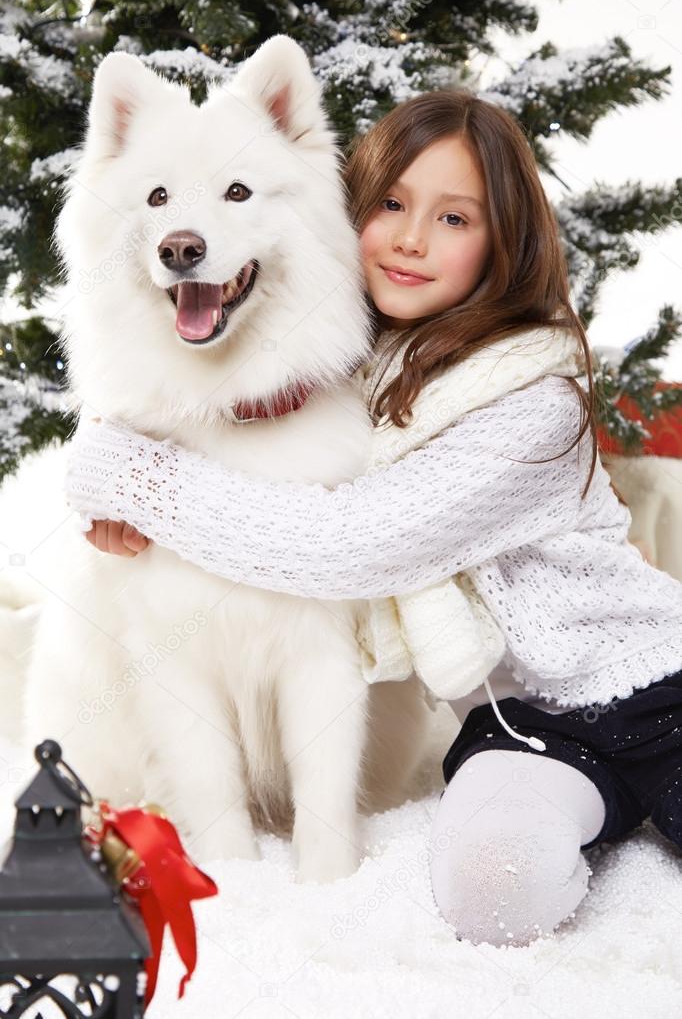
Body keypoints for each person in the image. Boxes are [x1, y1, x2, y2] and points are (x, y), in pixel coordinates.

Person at [65, 90, 682, 948]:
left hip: (659, 691)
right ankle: (612, 824)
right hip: (523, 727)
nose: (411, 238)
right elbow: (209, 403)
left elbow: (353, 545)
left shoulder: (533, 400)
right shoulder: (366, 370)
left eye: (454, 217)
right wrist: (107, 440)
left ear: (505, 241)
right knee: (492, 889)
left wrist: (130, 474)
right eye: (390, 204)